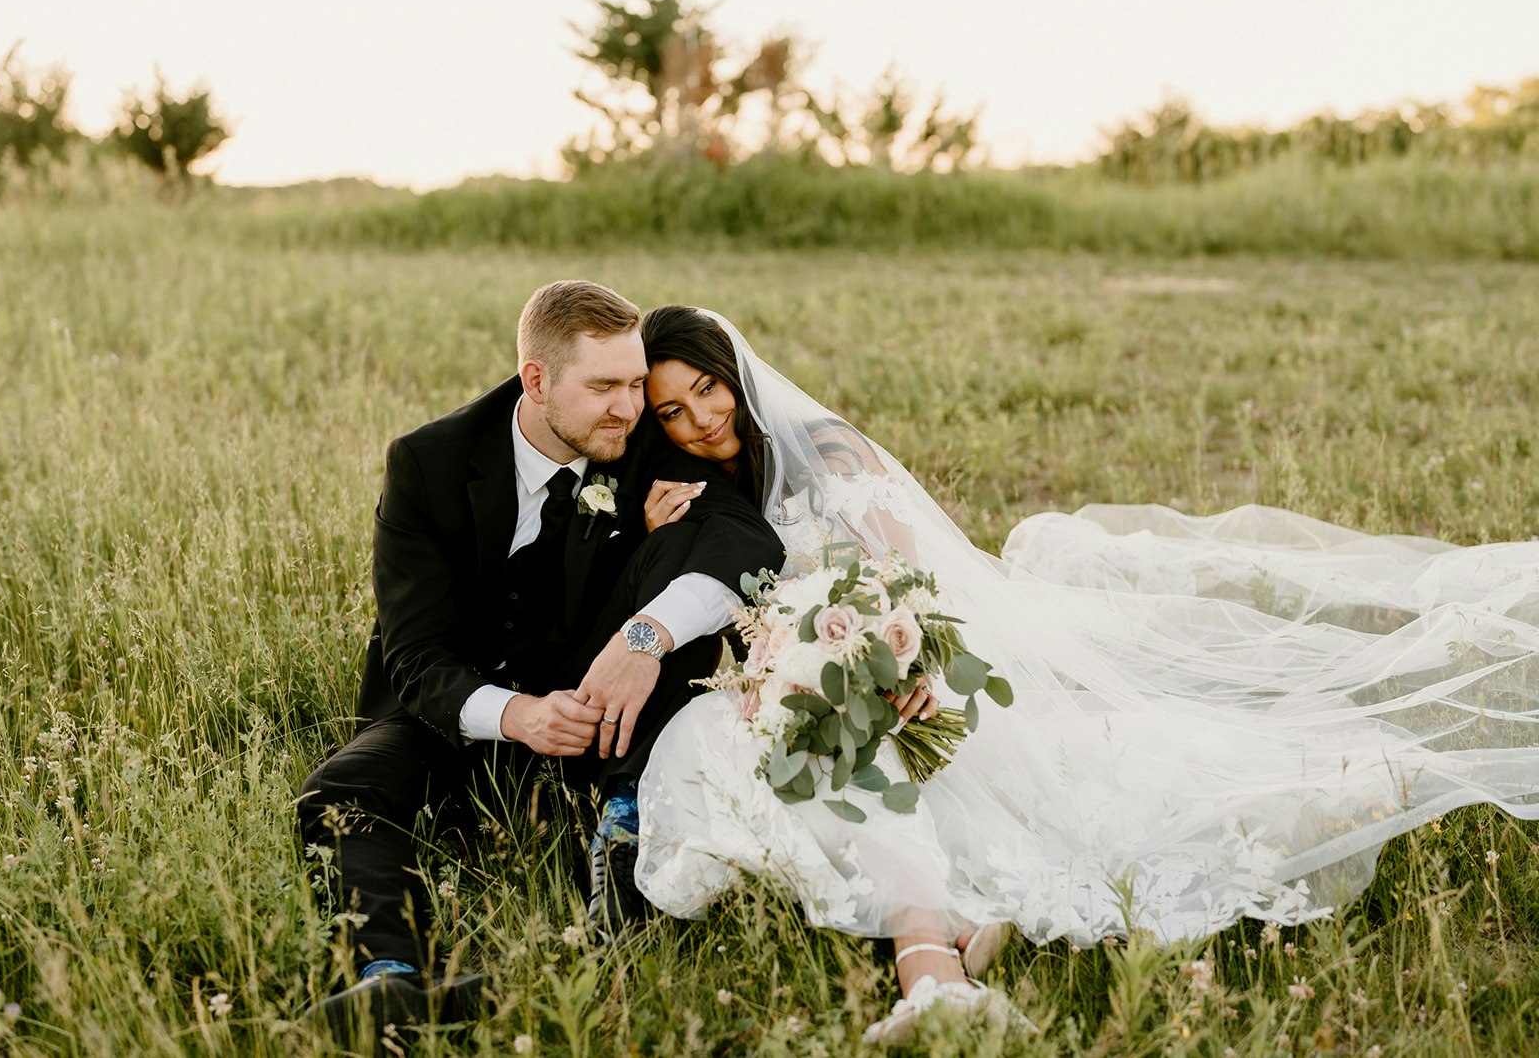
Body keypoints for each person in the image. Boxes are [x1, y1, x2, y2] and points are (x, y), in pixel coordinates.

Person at [630, 306, 1539, 1044]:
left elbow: (917, 581)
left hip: (916, 658)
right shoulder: (698, 490)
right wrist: (676, 557)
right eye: (673, 410)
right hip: (816, 682)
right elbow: (740, 620)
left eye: (708, 390)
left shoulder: (827, 451)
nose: (701, 417)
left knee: (913, 759)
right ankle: (960, 931)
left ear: (735, 374)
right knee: (776, 746)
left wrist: (911, 662)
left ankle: (930, 965)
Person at [297, 284, 783, 1040]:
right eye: (604, 387)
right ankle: (387, 982)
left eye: (633, 382)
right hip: (458, 706)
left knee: (672, 606)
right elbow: (415, 655)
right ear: (537, 380)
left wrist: (644, 635)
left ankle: (615, 906)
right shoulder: (429, 463)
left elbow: (745, 538)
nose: (628, 405)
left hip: (600, 709)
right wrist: (516, 714)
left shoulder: (639, 436)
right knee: (341, 788)